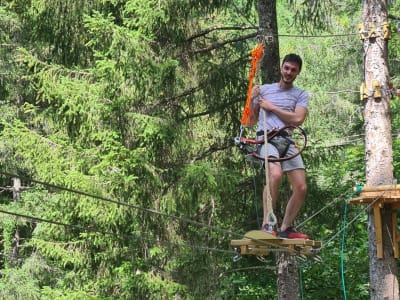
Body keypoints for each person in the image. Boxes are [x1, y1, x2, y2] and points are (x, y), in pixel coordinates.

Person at [250, 53, 309, 239]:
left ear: (297, 73)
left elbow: (298, 119)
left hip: (287, 140)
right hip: (267, 138)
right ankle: (267, 225)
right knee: (275, 174)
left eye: (293, 70)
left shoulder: (300, 94)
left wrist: (272, 108)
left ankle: (286, 228)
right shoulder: (264, 90)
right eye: (287, 68)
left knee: (301, 187)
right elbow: (251, 121)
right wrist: (252, 99)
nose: (289, 72)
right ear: (281, 68)